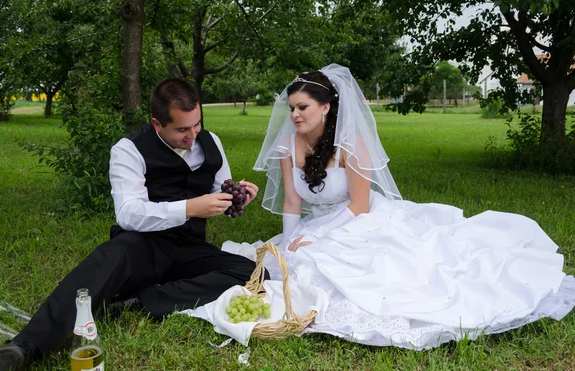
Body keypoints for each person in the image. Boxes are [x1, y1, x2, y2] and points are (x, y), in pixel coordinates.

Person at [218, 64, 575, 349]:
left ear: (326, 107)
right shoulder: (289, 144)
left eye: (303, 107)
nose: (295, 115)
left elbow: (359, 205)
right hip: (319, 221)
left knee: (386, 270)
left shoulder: (350, 143)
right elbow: (293, 200)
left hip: (361, 219)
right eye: (292, 107)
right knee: (294, 264)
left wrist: (319, 237)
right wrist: (290, 243)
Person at [0, 78, 266, 370]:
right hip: (142, 244)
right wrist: (189, 207)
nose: (192, 135)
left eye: (196, 125)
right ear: (157, 123)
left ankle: (137, 301)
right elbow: (128, 213)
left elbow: (221, 192)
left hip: (190, 246)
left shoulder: (212, 142)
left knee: (252, 271)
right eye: (182, 129)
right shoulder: (128, 149)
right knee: (104, 264)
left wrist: (237, 199)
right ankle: (25, 347)